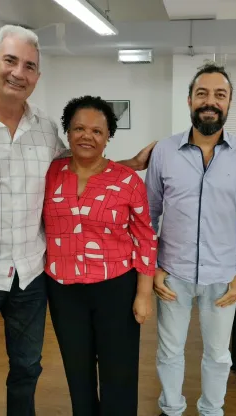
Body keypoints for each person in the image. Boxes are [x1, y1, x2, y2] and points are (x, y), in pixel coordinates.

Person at [0, 25, 154, 416]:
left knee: (27, 369)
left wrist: (125, 169)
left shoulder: (42, 128)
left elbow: (79, 166)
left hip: (28, 276)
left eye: (29, 66)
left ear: (37, 77)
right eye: (10, 60)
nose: (18, 72)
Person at [145, 63, 236, 416]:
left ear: (229, 103)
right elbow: (147, 216)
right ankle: (171, 409)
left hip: (223, 278)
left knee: (218, 353)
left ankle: (211, 410)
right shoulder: (164, 152)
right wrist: (152, 266)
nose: (210, 101)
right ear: (189, 101)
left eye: (220, 94)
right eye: (202, 93)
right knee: (169, 351)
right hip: (173, 275)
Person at [43, 95, 157, 416]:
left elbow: (146, 238)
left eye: (96, 131)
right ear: (67, 132)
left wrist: (144, 294)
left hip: (115, 288)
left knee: (117, 373)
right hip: (63, 290)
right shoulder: (50, 174)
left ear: (108, 137)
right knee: (77, 372)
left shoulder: (127, 181)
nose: (87, 136)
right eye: (79, 128)